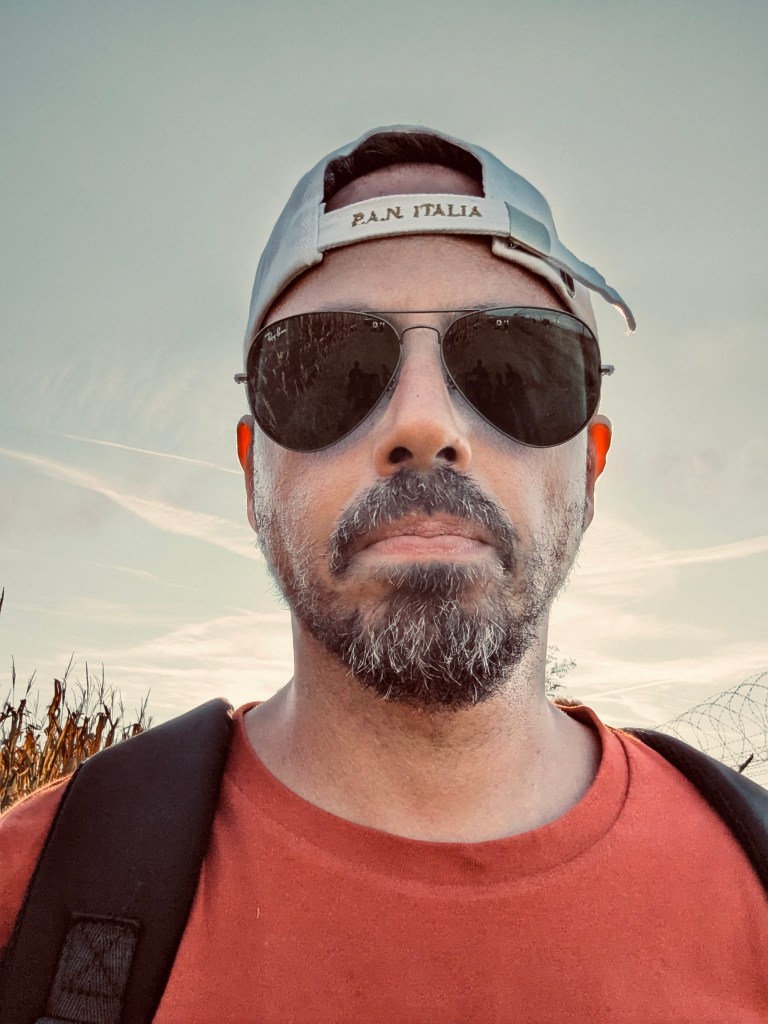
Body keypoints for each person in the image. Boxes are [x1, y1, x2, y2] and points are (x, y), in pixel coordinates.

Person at [1, 125, 766, 1021]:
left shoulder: (752, 883)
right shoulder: (29, 899)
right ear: (253, 475)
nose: (424, 420)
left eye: (513, 365)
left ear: (590, 468)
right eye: (331, 370)